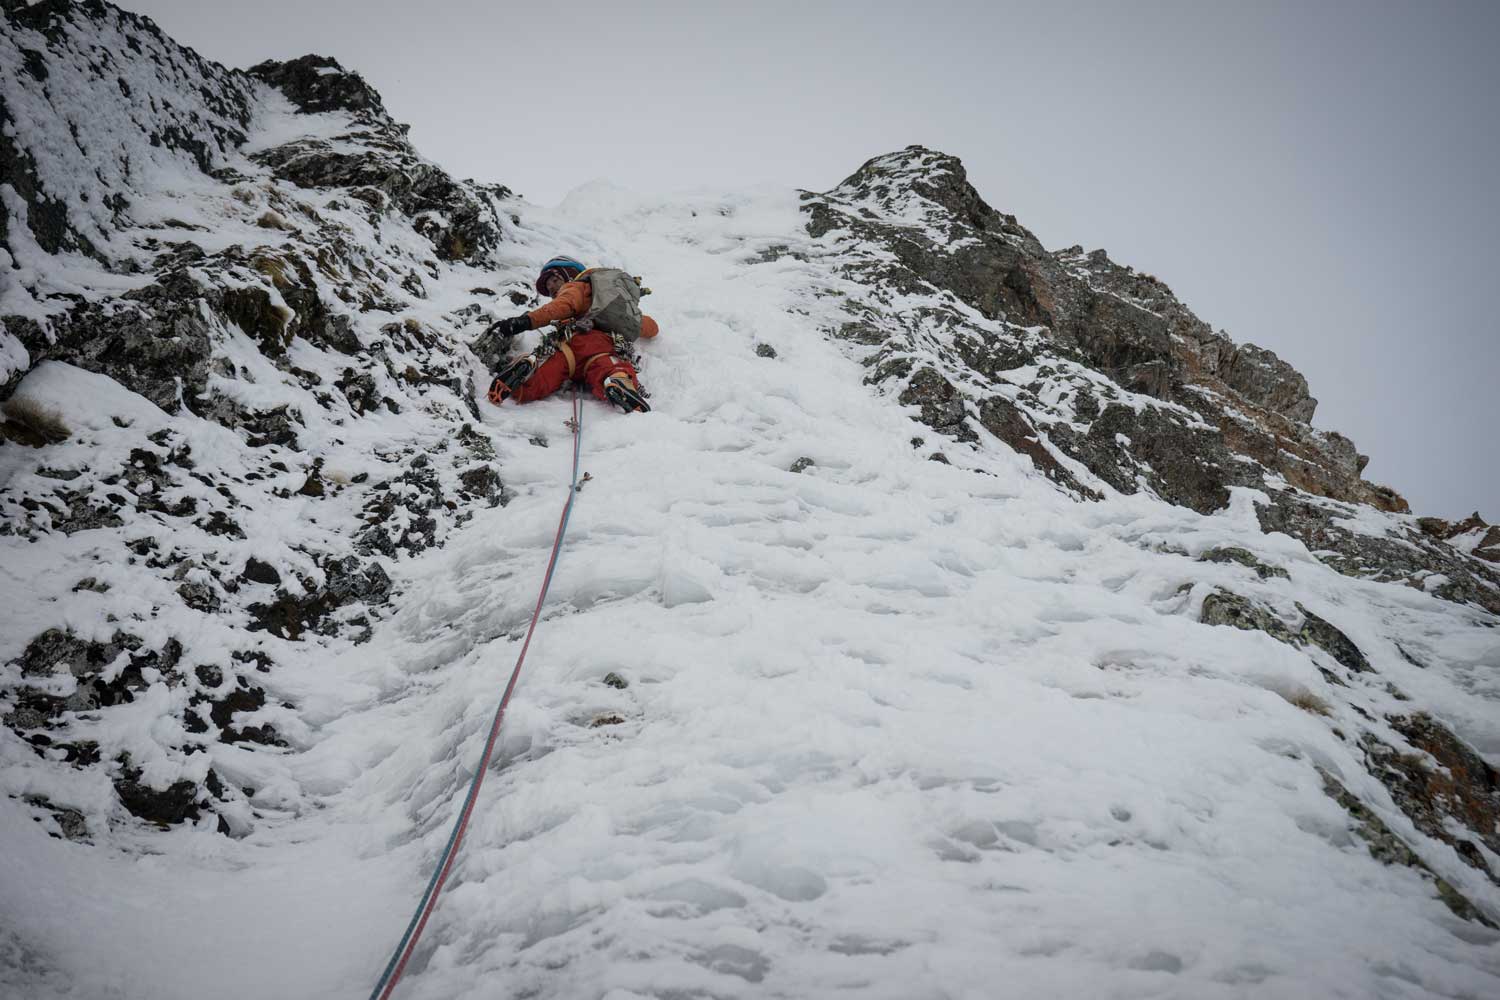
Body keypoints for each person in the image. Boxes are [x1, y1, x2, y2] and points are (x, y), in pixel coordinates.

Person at [484, 256, 657, 413]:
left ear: (570, 274)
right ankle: (619, 382)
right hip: (599, 346)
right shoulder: (612, 305)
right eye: (547, 286)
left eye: (553, 279)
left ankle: (525, 378)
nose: (550, 287)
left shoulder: (575, 287)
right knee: (608, 368)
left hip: (568, 346)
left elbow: (558, 308)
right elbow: (648, 327)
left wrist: (525, 321)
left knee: (545, 377)